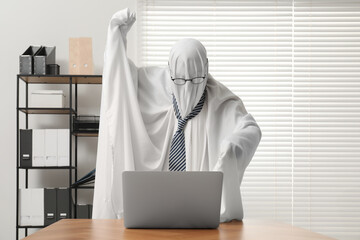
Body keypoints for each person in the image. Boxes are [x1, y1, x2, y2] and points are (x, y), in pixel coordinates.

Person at [92, 8, 262, 222]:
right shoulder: (155, 83)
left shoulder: (221, 101)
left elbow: (251, 129)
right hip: (153, 207)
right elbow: (120, 82)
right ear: (170, 71)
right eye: (180, 81)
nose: (188, 88)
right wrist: (116, 36)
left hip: (200, 212)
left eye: (196, 80)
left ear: (206, 70)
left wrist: (234, 147)